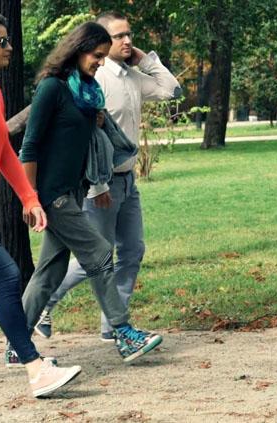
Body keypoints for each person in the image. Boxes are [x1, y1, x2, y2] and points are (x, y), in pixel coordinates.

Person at [5, 21, 162, 366]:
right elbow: (28, 149)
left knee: (50, 271)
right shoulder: (52, 89)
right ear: (77, 49)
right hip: (52, 195)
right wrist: (30, 200)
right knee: (101, 253)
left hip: (74, 192)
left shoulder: (87, 91)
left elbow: (84, 142)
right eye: (96, 55)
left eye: (103, 57)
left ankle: (17, 343)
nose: (100, 62)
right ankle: (123, 333)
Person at [34, 11, 181, 342]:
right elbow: (86, 140)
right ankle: (43, 305)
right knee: (94, 259)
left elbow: (171, 90)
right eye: (118, 36)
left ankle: (111, 327)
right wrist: (98, 185)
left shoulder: (131, 77)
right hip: (101, 184)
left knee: (132, 251)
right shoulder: (95, 80)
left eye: (130, 34)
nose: (127, 40)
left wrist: (144, 57)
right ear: (98, 43)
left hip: (129, 182)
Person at [0, 10, 81, 398]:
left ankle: (32, 365)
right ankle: (33, 367)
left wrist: (29, 197)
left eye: (8, 39)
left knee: (6, 277)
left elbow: (3, 154)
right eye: (1, 41)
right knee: (8, 276)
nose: (9, 47)